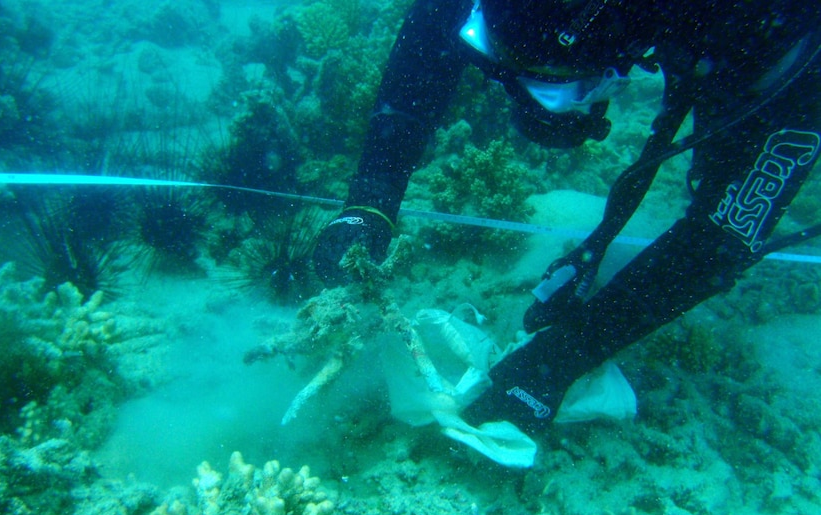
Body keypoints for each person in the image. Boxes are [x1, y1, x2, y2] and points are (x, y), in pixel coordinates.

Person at [311, 0, 821, 432]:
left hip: (748, 48)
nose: (516, 96)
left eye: (554, 88)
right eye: (491, 56)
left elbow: (721, 236)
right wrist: (368, 203)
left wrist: (560, 359)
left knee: (727, 166)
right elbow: (427, 42)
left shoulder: (762, 30)